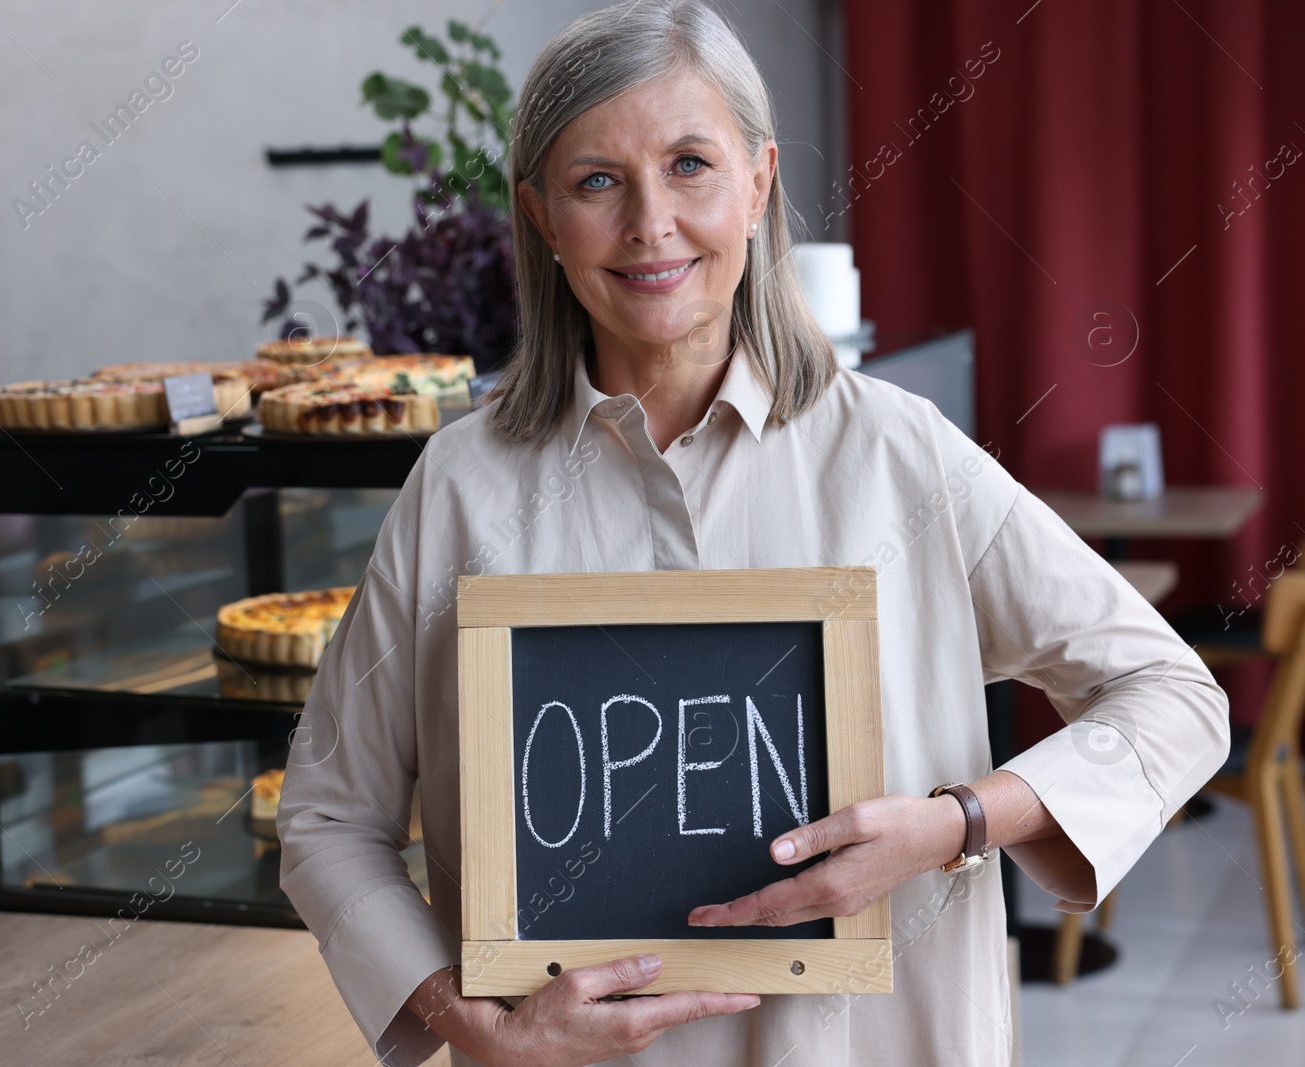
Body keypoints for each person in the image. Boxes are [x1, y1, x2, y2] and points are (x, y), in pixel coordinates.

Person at [277, 2, 1229, 1064]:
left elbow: (1174, 698)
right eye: (597, 180)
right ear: (540, 215)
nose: (649, 224)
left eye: (690, 164)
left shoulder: (901, 454)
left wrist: (956, 822)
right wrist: (474, 1027)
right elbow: (326, 818)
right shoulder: (458, 488)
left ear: (760, 180)